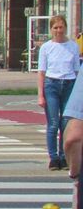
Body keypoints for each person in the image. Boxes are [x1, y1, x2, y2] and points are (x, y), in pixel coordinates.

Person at [38, 15, 78, 172]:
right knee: (53, 123)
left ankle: (64, 156)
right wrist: (40, 95)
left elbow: (76, 70)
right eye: (55, 28)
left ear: (65, 28)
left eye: (61, 27)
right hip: (51, 84)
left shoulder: (72, 46)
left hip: (69, 84)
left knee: (65, 124)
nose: (58, 31)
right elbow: (41, 72)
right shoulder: (47, 47)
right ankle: (53, 157)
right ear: (51, 29)